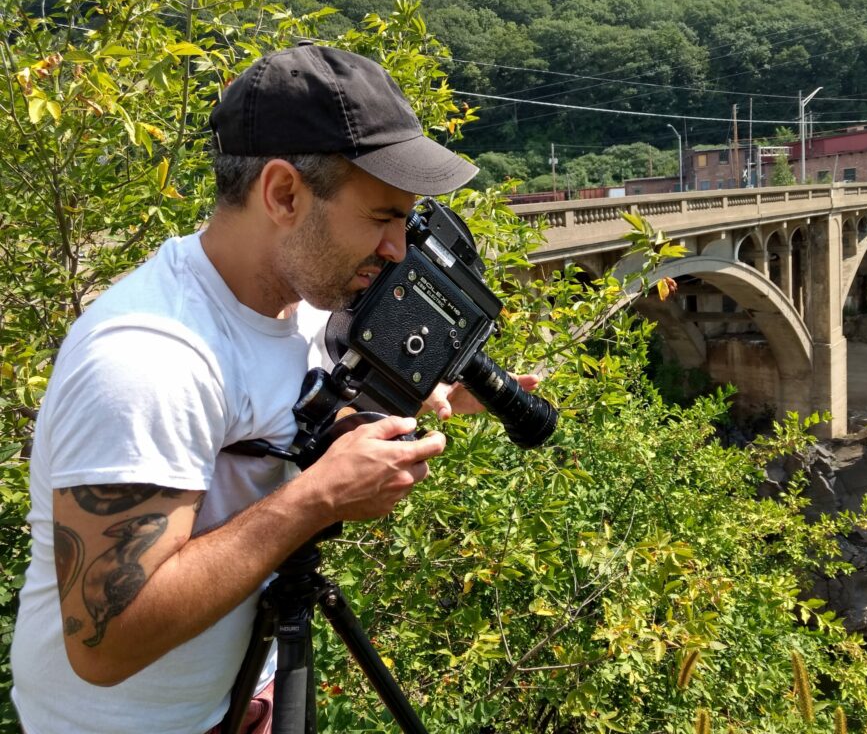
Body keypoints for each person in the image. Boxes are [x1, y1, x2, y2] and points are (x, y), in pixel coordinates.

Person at [11, 42, 533, 734]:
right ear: (284, 193)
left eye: (405, 222)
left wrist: (396, 407)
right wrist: (318, 499)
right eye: (381, 217)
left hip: (238, 698)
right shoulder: (147, 360)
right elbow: (108, 644)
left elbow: (288, 408)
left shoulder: (305, 302)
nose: (397, 250)